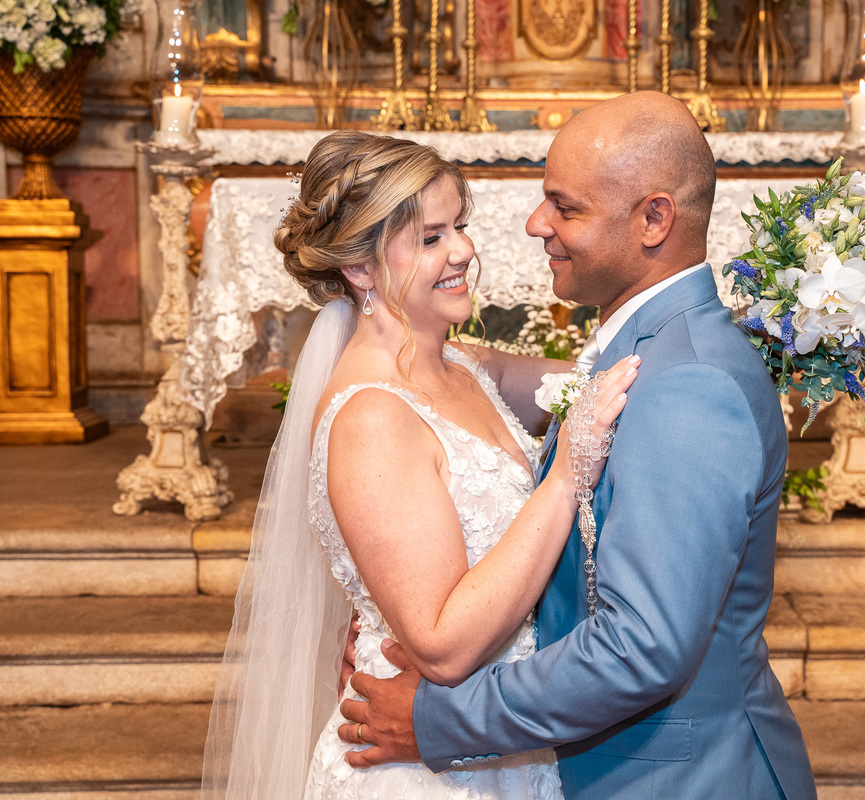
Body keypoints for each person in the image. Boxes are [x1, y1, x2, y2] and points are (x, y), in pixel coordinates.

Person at [337, 92, 818, 799]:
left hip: (676, 779)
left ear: (654, 219)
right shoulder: (643, 348)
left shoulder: (689, 386)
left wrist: (438, 719)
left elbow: (641, 647)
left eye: (565, 207)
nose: (536, 223)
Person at [201, 130, 638, 800]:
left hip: (503, 735)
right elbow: (441, 644)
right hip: (425, 768)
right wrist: (564, 477)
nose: (463, 250)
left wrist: (770, 332)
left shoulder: (465, 365)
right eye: (431, 237)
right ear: (361, 268)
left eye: (459, 226)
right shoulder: (372, 418)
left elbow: (600, 381)